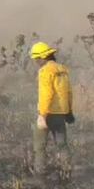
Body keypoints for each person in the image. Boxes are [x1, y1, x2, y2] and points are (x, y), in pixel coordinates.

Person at [29, 41, 74, 177]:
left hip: (48, 113)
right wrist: (69, 111)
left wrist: (42, 115)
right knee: (62, 144)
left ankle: (40, 174)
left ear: (42, 57)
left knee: (39, 146)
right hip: (61, 114)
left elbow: (46, 94)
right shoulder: (62, 70)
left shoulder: (45, 71)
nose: (36, 62)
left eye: (36, 59)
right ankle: (67, 171)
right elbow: (69, 92)